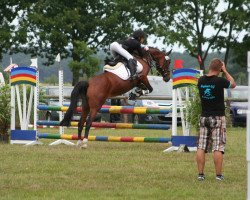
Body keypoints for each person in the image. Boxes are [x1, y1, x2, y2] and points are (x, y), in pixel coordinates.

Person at [196, 58, 236, 181]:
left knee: (201, 146)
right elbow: (233, 84)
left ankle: (201, 175)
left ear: (209, 67)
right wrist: (225, 71)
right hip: (218, 117)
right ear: (219, 69)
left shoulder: (201, 80)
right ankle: (218, 176)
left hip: (204, 117)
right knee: (218, 147)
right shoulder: (220, 81)